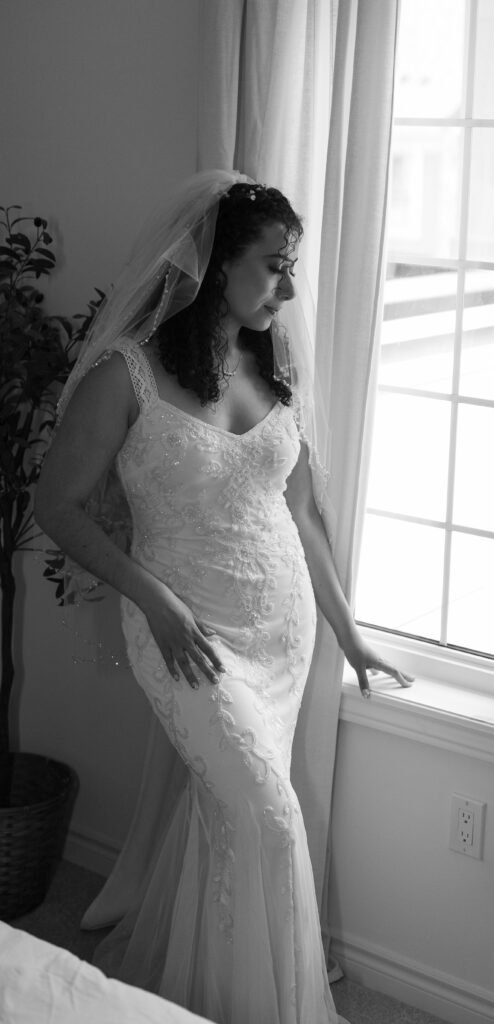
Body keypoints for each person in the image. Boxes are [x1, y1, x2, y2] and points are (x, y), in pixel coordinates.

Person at [35, 169, 413, 1024]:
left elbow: (302, 515)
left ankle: (206, 988)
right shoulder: (123, 376)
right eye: (273, 265)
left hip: (281, 636)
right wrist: (154, 601)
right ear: (216, 266)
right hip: (184, 632)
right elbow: (57, 507)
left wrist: (348, 635)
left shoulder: (273, 367)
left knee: (235, 821)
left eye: (292, 266)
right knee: (272, 823)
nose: (287, 285)